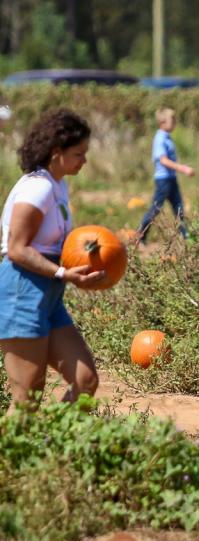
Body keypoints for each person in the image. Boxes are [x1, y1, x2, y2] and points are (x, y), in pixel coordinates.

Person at [0, 109, 105, 411]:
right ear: (56, 152)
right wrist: (63, 272)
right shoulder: (37, 187)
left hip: (49, 296)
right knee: (27, 397)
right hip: (21, 291)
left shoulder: (57, 184)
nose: (84, 160)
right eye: (78, 153)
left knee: (85, 380)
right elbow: (16, 248)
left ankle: (56, 451)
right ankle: (13, 456)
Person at [137, 107, 195, 244]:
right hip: (163, 180)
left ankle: (185, 236)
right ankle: (141, 234)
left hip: (171, 178)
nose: (174, 123)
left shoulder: (167, 137)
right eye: (172, 120)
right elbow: (162, 160)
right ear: (162, 122)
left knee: (179, 207)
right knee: (156, 209)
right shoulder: (160, 139)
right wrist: (183, 168)